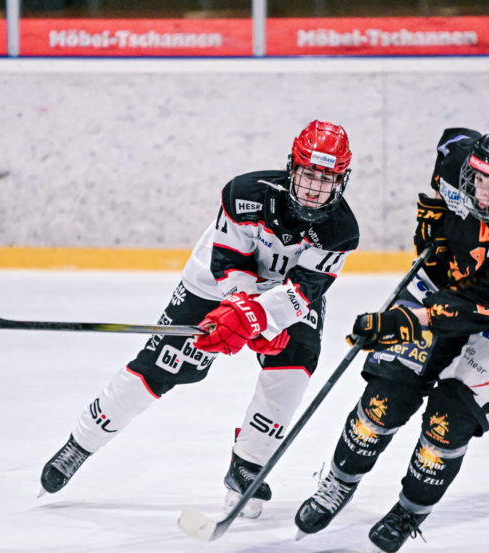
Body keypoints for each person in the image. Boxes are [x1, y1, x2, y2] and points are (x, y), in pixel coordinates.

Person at [40, 120, 360, 519]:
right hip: (212, 285)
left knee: (295, 366)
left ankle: (247, 465)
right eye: (309, 174)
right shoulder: (245, 194)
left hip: (281, 298)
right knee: (162, 364)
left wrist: (260, 318)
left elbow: (304, 290)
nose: (314, 188)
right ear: (292, 168)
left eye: (326, 179)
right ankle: (80, 443)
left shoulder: (341, 231)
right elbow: (228, 261)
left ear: (341, 181)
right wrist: (242, 310)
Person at [294, 121, 489, 553]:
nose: (482, 193)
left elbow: (477, 309)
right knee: (385, 397)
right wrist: (433, 215)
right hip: (445, 284)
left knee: (449, 421)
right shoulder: (461, 164)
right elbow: (451, 143)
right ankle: (338, 482)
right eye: (478, 180)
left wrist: (403, 322)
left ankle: (410, 510)